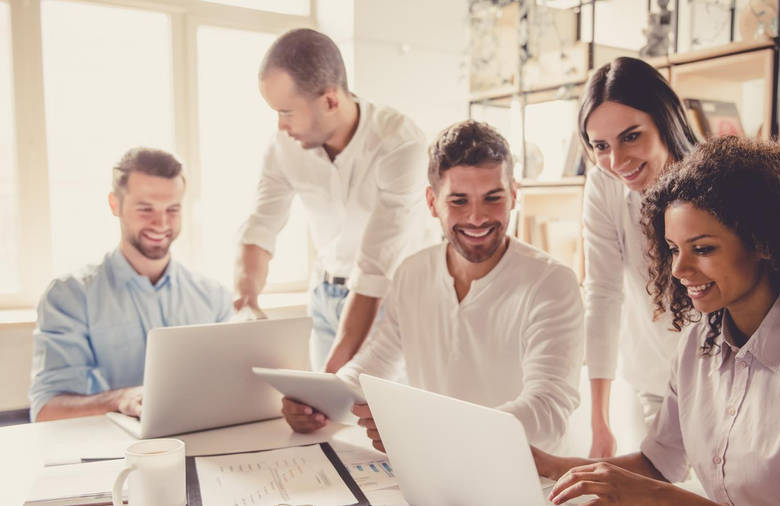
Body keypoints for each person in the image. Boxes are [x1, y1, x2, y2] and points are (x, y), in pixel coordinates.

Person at [536, 137, 780, 505]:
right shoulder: (699, 343)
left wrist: (658, 498)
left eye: (703, 248)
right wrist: (552, 466)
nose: (679, 269)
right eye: (674, 249)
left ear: (764, 243)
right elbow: (658, 462)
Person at [281, 120, 584, 452]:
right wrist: (317, 403)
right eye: (458, 201)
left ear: (513, 195)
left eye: (492, 198)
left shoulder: (551, 283)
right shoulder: (412, 273)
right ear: (431, 202)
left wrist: (428, 431)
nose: (477, 217)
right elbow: (374, 363)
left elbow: (548, 412)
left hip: (528, 477)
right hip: (434, 467)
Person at [234, 28, 428, 373]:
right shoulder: (283, 147)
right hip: (324, 294)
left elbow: (373, 271)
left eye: (287, 112)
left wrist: (327, 381)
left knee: (381, 420)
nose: (280, 126)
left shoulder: (400, 143)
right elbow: (261, 227)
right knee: (329, 424)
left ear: (330, 100)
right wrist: (247, 301)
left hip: (386, 301)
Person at [29, 148, 232, 422]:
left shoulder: (214, 296)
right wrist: (121, 400)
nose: (161, 223)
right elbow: (46, 410)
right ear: (115, 205)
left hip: (202, 446)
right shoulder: (70, 296)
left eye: (172, 209)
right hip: (110, 454)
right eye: (145, 209)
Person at [578, 56, 698, 457]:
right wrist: (600, 422)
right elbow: (603, 294)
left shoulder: (717, 178)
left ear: (665, 121)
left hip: (726, 379)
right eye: (601, 146)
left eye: (631, 137)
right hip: (655, 378)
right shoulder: (604, 185)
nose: (617, 161)